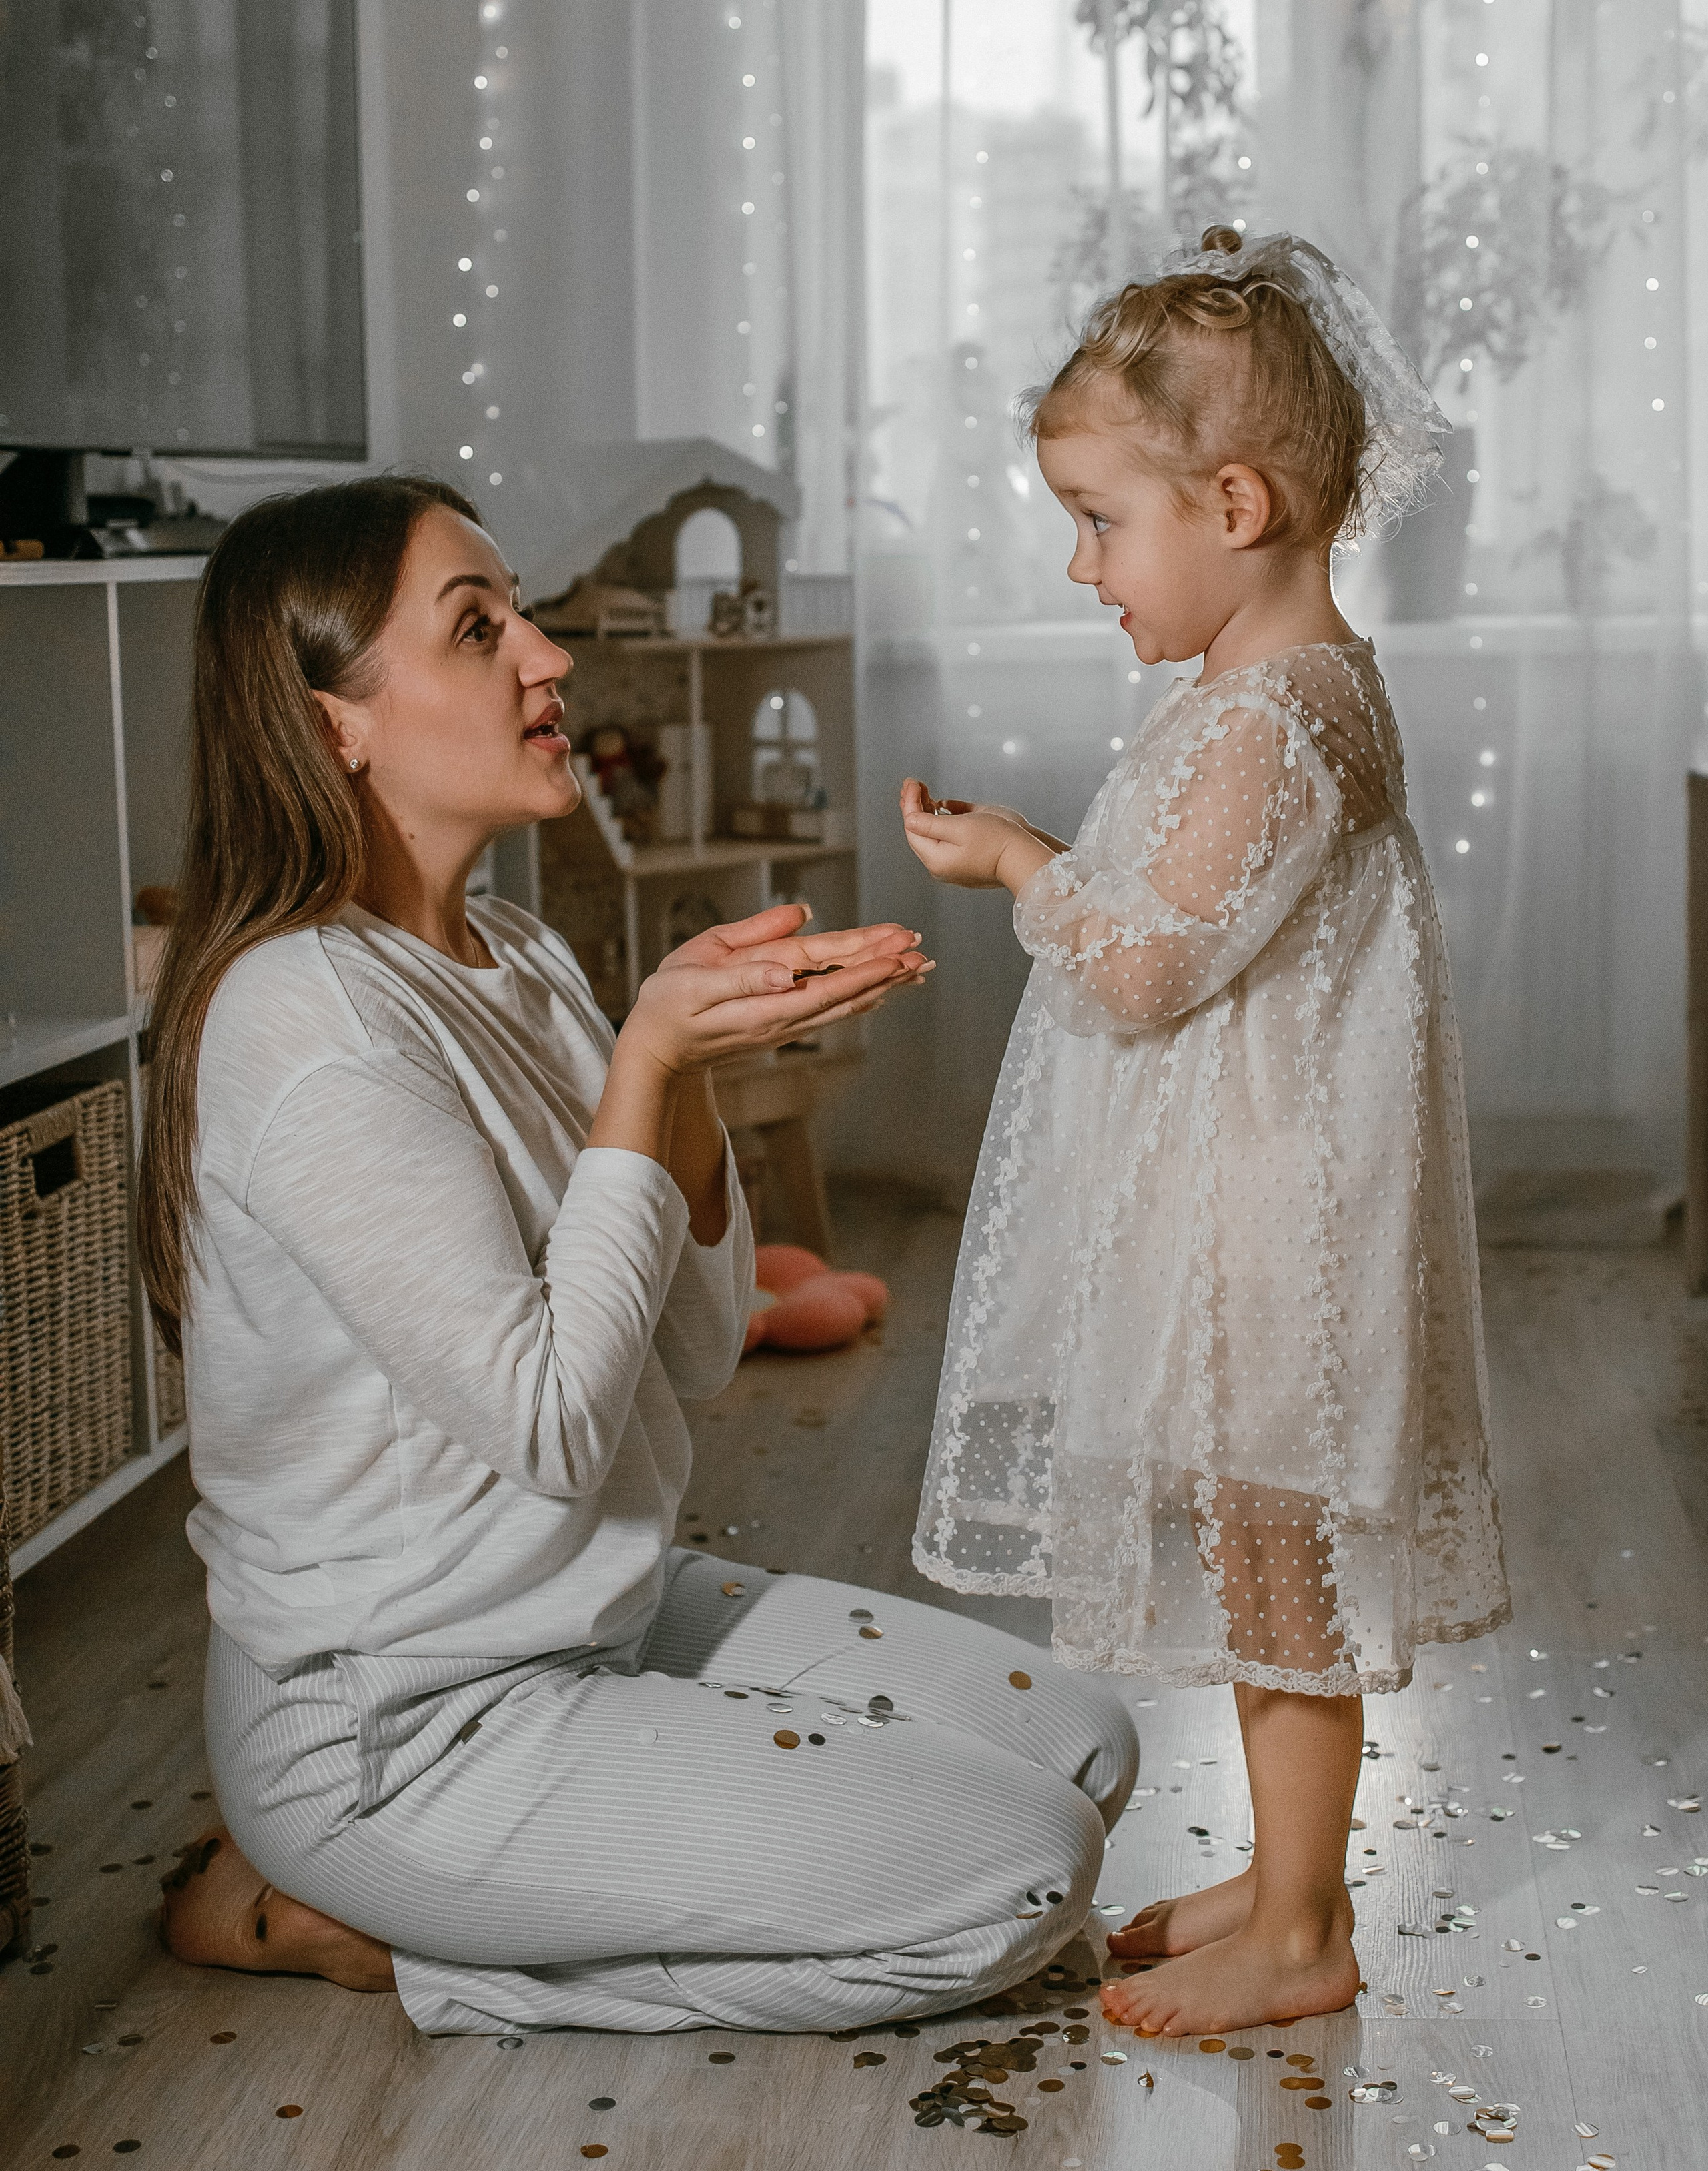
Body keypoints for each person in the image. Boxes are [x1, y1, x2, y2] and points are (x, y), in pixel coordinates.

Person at [143, 476, 1139, 2035]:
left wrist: (677, 1073)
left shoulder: (521, 958)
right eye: (479, 631)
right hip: (411, 1721)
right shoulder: (305, 1022)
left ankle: (523, 1884)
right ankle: (380, 1939)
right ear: (332, 720)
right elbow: (545, 1423)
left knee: (1084, 1744)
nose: (546, 656)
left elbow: (687, 1353)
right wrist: (648, 1059)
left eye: (516, 609)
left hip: (595, 1610)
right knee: (1026, 1877)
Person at [900, 228, 1509, 2038]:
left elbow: (1155, 963)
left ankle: (1307, 1925)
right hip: (1250, 1194)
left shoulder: (1276, 714)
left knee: (1281, 1559)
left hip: (1277, 1219)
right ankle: (1281, 1862)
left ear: (1233, 503)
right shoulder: (1252, 692)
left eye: (1101, 522)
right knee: (1262, 1555)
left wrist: (1021, 860)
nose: (1083, 565)